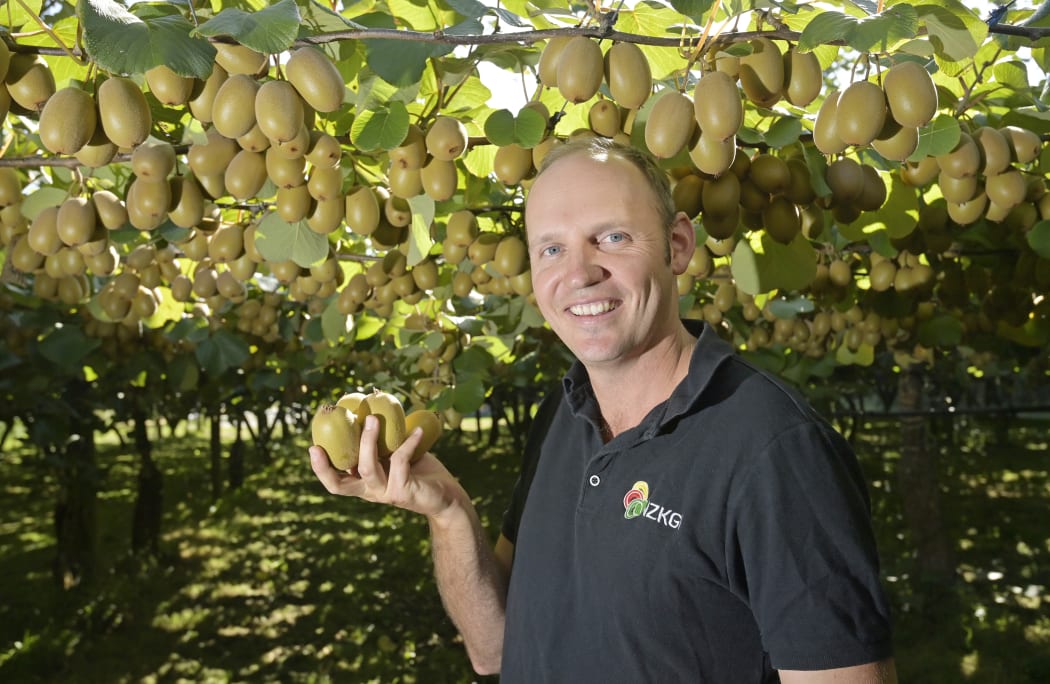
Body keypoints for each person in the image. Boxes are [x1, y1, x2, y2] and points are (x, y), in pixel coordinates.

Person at [309, 136, 897, 683]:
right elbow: (494, 649)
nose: (580, 273)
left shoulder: (774, 450)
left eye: (612, 237)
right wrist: (449, 512)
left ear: (678, 245)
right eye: (552, 248)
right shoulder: (563, 416)